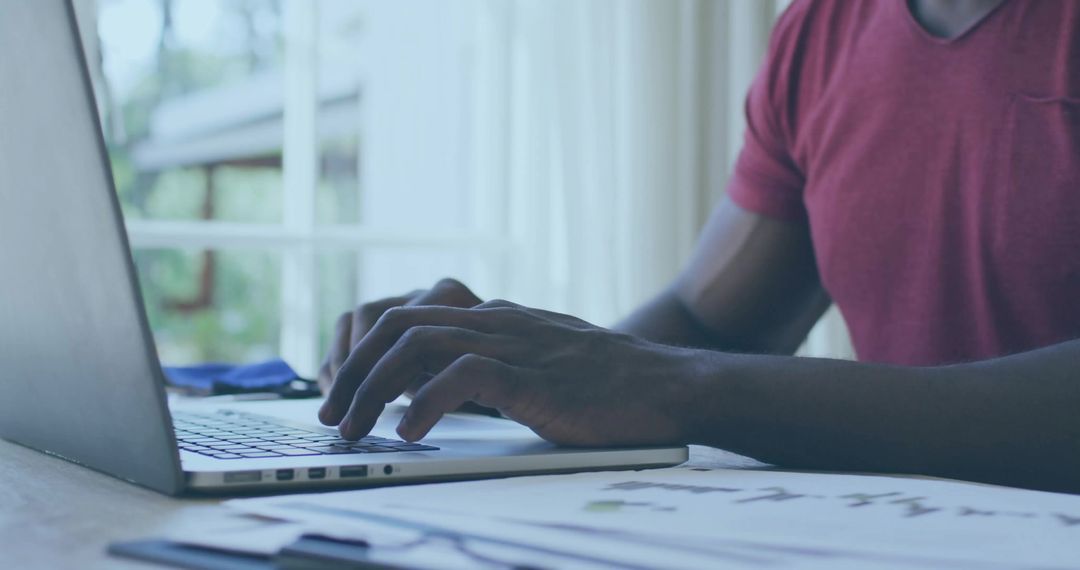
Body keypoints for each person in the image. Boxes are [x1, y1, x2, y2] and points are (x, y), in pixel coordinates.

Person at [318, 0, 1080, 494]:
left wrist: (680, 386)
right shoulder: (824, 30)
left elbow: (690, 367)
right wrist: (505, 367)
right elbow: (711, 320)